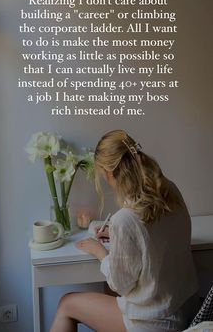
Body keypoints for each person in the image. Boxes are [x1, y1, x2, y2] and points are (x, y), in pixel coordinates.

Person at [50, 130, 200, 332]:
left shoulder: (125, 219)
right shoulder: (169, 190)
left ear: (110, 172)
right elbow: (155, 237)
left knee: (67, 304)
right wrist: (119, 236)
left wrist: (99, 252)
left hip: (155, 323)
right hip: (187, 311)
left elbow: (120, 285)